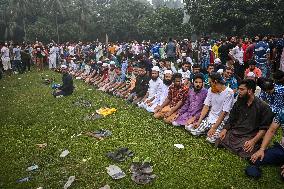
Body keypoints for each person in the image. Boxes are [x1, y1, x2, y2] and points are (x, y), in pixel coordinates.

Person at [216, 79, 274, 158]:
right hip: (236, 132)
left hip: (249, 135)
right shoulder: (239, 102)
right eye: (239, 89)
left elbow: (263, 129)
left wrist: (253, 141)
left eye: (242, 89)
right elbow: (231, 118)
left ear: (250, 91)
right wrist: (225, 129)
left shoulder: (263, 107)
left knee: (246, 149)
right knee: (219, 140)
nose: (238, 91)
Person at [189, 72, 234, 143]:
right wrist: (199, 121)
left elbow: (224, 112)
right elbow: (206, 106)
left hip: (221, 120)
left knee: (210, 139)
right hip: (210, 117)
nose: (209, 84)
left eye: (210, 82)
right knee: (192, 130)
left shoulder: (229, 92)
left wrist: (214, 128)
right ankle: (206, 130)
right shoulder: (210, 89)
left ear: (215, 82)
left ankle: (212, 131)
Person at [249, 109, 284, 179]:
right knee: (255, 159)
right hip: (282, 149)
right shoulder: (282, 112)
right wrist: (261, 149)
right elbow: (271, 130)